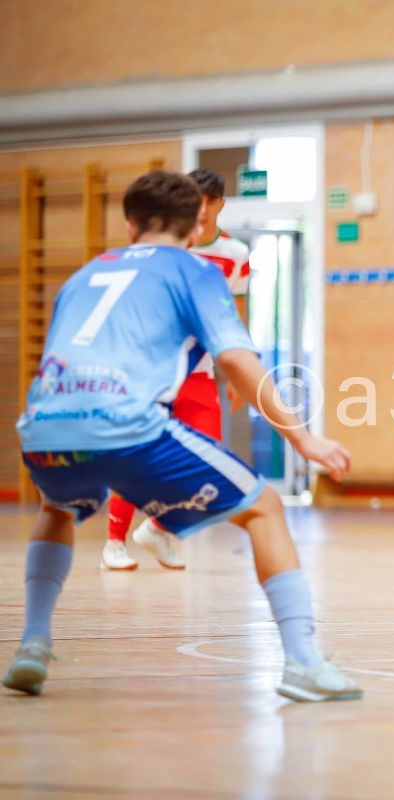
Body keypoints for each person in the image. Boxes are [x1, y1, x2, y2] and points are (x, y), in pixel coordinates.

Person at [4, 170, 361, 701]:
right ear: (195, 227)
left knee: (57, 508)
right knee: (264, 505)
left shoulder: (84, 274)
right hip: (123, 422)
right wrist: (302, 439)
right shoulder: (195, 269)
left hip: (43, 428)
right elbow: (236, 357)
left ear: (129, 225)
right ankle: (304, 662)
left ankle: (32, 643)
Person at [101, 168, 252, 571]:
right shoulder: (164, 248)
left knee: (206, 460)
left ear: (219, 204)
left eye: (207, 201)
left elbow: (234, 313)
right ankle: (115, 542)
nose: (200, 209)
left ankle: (159, 529)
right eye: (193, 200)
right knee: (139, 455)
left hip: (200, 371)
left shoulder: (234, 255)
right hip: (154, 370)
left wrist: (238, 371)